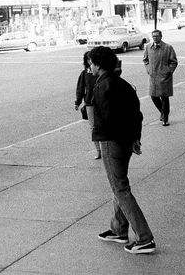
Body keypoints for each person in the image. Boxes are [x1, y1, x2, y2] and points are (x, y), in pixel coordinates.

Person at [89, 46, 155, 255]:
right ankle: (118, 229)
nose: (89, 66)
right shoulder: (123, 84)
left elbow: (107, 119)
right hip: (126, 141)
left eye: (91, 63)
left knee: (120, 189)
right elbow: (137, 114)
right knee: (120, 185)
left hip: (112, 142)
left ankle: (144, 237)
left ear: (98, 65)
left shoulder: (101, 87)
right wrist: (135, 138)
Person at [142, 30, 178, 126]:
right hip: (153, 76)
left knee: (164, 97)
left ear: (161, 36)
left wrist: (169, 71)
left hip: (164, 77)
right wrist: (149, 69)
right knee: (154, 96)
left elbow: (174, 61)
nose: (155, 38)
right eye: (153, 36)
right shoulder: (148, 47)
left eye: (157, 36)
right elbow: (145, 60)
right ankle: (162, 112)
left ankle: (165, 118)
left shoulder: (168, 47)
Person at [74, 51, 101, 159]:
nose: (90, 61)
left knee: (102, 125)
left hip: (102, 102)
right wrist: (77, 102)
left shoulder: (100, 71)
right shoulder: (84, 73)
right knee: (93, 127)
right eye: (88, 59)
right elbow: (80, 88)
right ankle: (98, 150)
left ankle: (104, 149)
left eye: (92, 59)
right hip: (90, 103)